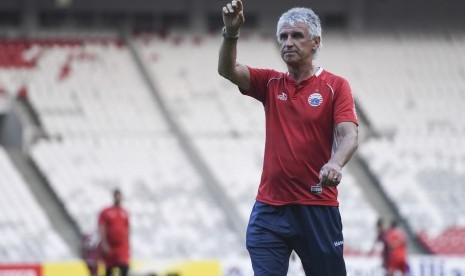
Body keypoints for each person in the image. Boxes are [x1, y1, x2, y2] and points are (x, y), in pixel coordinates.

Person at [218, 1, 359, 275]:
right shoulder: (270, 83)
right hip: (270, 210)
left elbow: (349, 133)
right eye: (283, 36)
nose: (288, 42)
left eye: (297, 36)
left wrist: (336, 163)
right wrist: (231, 32)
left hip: (317, 207)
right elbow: (227, 70)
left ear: (316, 42)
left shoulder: (335, 86)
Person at [98, 189, 130, 276]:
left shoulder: (125, 212)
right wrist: (104, 243)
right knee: (109, 269)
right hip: (110, 246)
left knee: (124, 267)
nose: (118, 198)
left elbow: (128, 229)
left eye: (119, 196)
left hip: (121, 246)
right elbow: (101, 227)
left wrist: (128, 244)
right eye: (116, 196)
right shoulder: (106, 212)